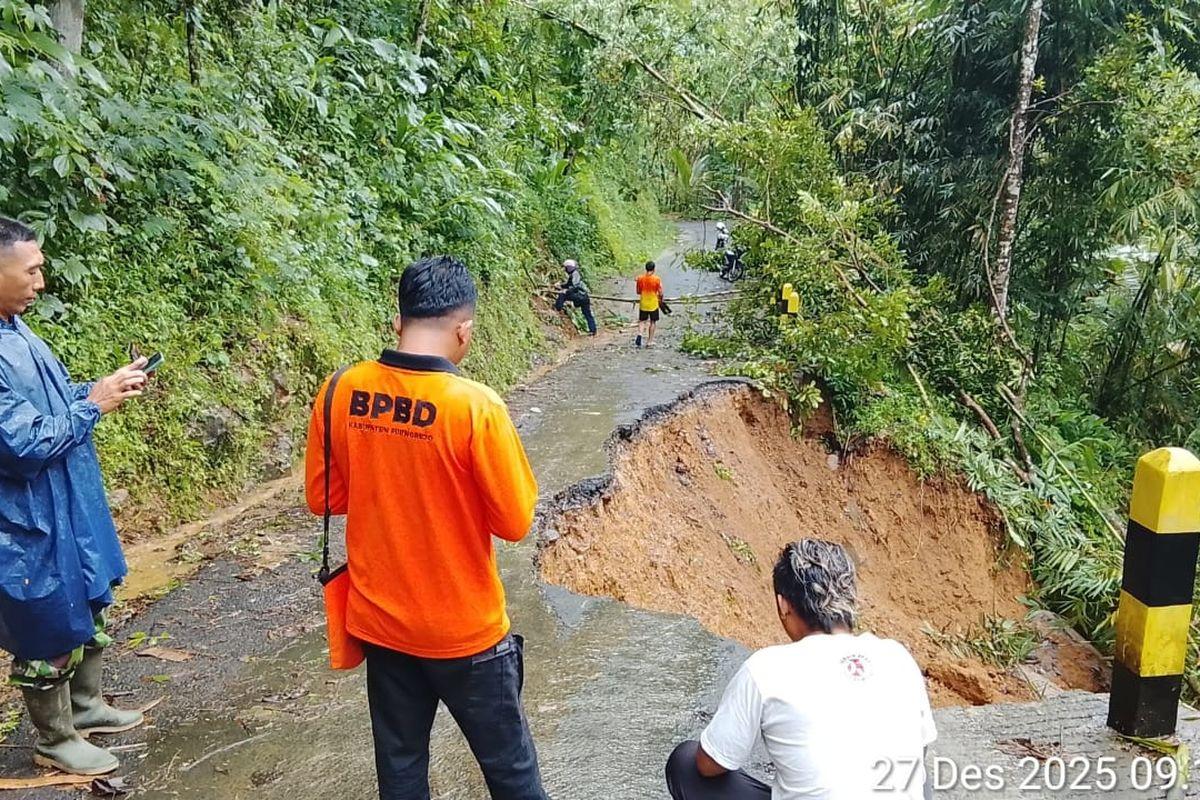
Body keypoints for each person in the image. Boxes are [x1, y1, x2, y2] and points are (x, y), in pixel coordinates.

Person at [305, 255, 548, 800]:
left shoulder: (341, 389)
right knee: (512, 774)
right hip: (466, 634)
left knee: (401, 770)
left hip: (381, 625)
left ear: (399, 321)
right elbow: (514, 522)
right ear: (464, 330)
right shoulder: (476, 407)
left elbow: (325, 499)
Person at [0, 217, 149, 776]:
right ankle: (55, 739)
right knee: (47, 623)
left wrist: (101, 388)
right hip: (22, 516)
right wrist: (93, 405)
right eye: (31, 271)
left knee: (88, 596)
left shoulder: (16, 329)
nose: (40, 282)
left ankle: (85, 707)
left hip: (65, 494)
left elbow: (54, 402)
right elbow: (22, 444)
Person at [665, 539, 936, 800]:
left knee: (685, 764)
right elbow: (918, 752)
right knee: (917, 777)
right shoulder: (897, 657)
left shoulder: (765, 669)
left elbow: (709, 764)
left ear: (784, 605)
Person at [553, 259, 597, 336]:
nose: (565, 270)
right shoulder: (575, 274)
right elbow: (568, 284)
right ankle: (593, 330)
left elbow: (574, 286)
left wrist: (566, 291)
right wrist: (560, 285)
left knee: (562, 295)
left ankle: (557, 308)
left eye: (566, 268)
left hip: (579, 296)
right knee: (587, 313)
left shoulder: (575, 275)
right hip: (584, 297)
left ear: (569, 268)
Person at [634, 260, 663, 349]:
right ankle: (649, 342)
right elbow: (660, 292)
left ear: (646, 269)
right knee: (652, 322)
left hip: (643, 303)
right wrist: (661, 299)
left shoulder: (640, 279)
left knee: (642, 321)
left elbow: (638, 291)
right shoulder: (657, 279)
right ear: (654, 269)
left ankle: (640, 334)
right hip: (653, 304)